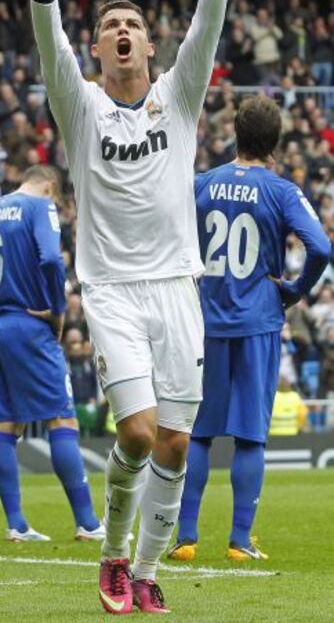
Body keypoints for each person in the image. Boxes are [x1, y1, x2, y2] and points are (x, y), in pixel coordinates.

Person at [20, 0, 242, 614]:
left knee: (177, 444)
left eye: (133, 26)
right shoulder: (80, 105)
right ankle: (113, 555)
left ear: (150, 47)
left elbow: (207, 31)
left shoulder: (177, 99)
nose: (122, 32)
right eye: (111, 25)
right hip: (112, 287)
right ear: (99, 48)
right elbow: (51, 48)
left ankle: (146, 570)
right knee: (138, 432)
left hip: (178, 286)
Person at [169, 95, 330, 563]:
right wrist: (294, 290)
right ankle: (239, 541)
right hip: (258, 320)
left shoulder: (202, 183)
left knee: (199, 431)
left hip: (206, 319)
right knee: (249, 436)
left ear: (235, 135)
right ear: (275, 142)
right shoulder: (281, 191)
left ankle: (186, 538)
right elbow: (319, 247)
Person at [0, 164, 104, 543]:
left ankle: (16, 524)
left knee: (6, 425)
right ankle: (88, 523)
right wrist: (58, 313)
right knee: (62, 419)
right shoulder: (39, 207)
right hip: (29, 326)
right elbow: (50, 259)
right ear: (51, 188)